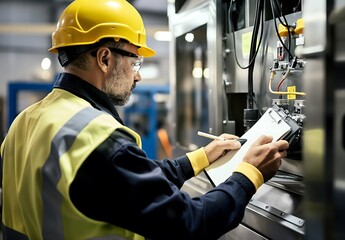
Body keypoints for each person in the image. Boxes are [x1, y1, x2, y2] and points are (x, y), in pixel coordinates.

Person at [0, 0, 289, 239]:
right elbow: (189, 223)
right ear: (104, 58)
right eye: (135, 61)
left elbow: (122, 186)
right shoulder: (97, 138)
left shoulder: (25, 123)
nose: (138, 75)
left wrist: (202, 157)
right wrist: (250, 173)